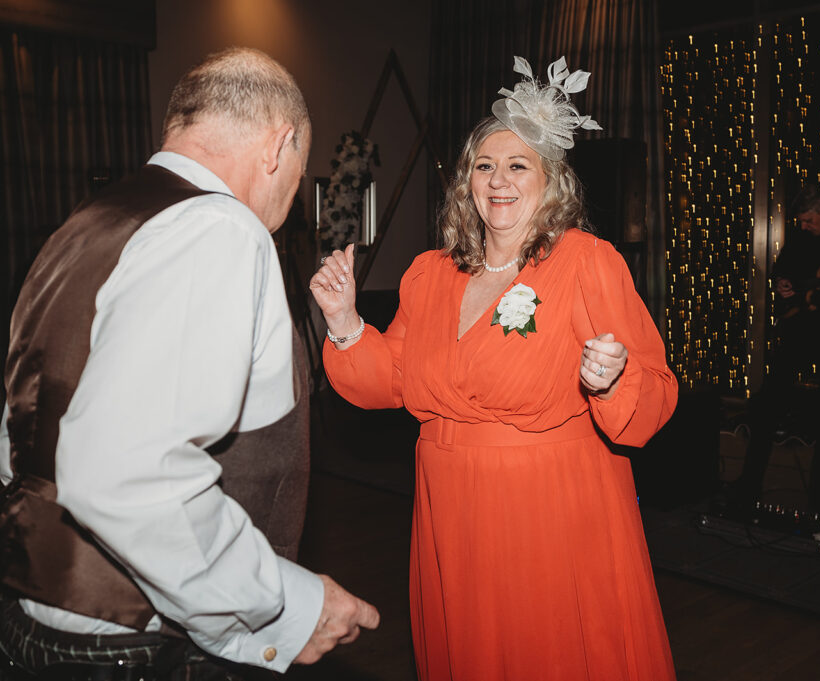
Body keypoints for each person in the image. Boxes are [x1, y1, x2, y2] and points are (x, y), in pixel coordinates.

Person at [0, 47, 379, 680]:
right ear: (278, 145)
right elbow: (127, 468)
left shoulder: (86, 225)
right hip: (139, 647)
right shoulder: (219, 228)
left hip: (37, 619)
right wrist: (285, 604)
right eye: (300, 169)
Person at [311, 56, 678, 680]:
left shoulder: (585, 262)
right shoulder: (430, 275)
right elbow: (391, 380)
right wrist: (345, 322)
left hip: (547, 513)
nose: (499, 181)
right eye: (485, 166)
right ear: (466, 181)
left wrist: (612, 380)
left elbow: (657, 395)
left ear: (550, 181)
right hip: (448, 511)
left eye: (517, 165)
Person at [731, 183, 820, 519]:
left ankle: (819, 496)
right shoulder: (802, 237)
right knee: (767, 405)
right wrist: (782, 284)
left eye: (809, 220)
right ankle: (748, 483)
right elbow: (783, 271)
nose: (804, 226)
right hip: (799, 329)